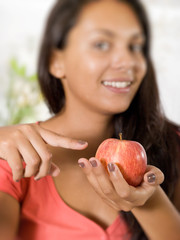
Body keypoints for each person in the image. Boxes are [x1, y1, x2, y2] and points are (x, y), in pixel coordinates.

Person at [0, 0, 180, 239]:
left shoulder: (172, 145)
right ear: (56, 61)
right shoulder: (15, 156)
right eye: (102, 44)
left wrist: (147, 200)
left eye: (135, 47)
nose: (128, 62)